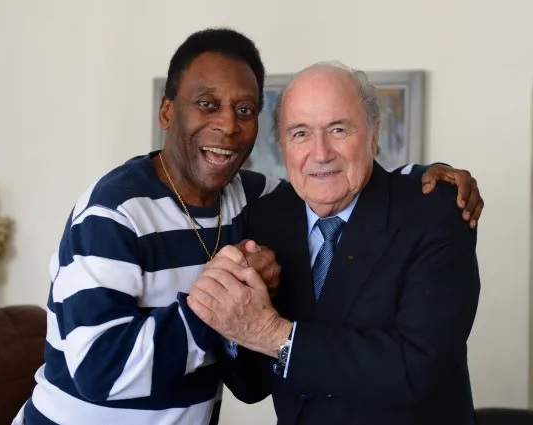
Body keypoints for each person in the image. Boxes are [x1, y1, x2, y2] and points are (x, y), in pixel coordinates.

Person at [13, 27, 483, 425]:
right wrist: (221, 311)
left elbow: (340, 183)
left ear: (374, 134)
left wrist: (427, 176)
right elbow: (98, 370)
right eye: (206, 104)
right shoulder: (114, 212)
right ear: (167, 111)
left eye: (244, 110)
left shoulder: (250, 198)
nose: (227, 125)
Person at [187, 62, 481, 425]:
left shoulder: (436, 213)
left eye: (338, 130)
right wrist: (234, 317)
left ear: (373, 134)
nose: (321, 153)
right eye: (300, 134)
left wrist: (275, 335)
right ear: (282, 146)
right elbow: (251, 387)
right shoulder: (266, 218)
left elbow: (418, 366)